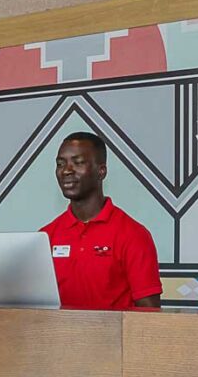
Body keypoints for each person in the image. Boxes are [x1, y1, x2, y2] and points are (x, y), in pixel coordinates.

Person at [41, 132, 162, 310]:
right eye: (60, 164)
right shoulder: (45, 237)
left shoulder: (133, 235)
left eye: (78, 162)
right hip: (56, 337)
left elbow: (149, 316)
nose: (66, 170)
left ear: (101, 171)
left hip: (111, 338)